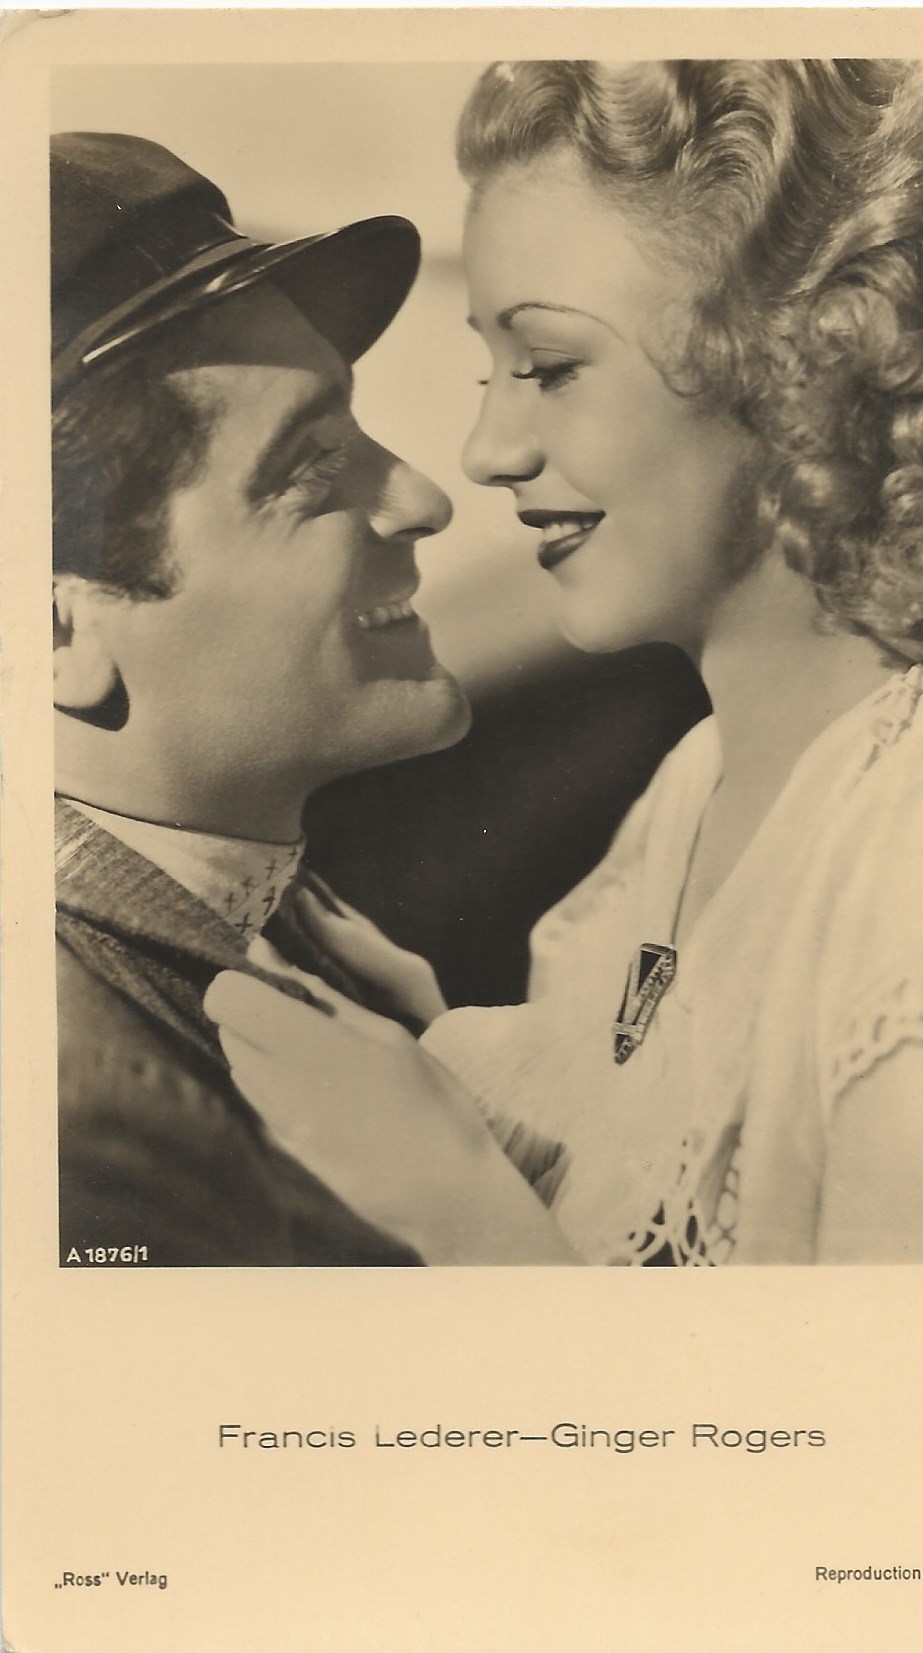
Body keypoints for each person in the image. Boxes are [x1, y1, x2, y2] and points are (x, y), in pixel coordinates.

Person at [207, 59, 923, 1266]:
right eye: (490, 374)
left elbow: (901, 1389)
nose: (484, 451)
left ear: (801, 360)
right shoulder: (693, 792)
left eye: (551, 367)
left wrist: (456, 1204)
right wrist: (458, 1072)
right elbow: (654, 1160)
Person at [52, 130, 550, 1266]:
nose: (421, 500)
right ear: (54, 635)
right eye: (311, 469)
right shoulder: (90, 1128)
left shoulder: (276, 923)